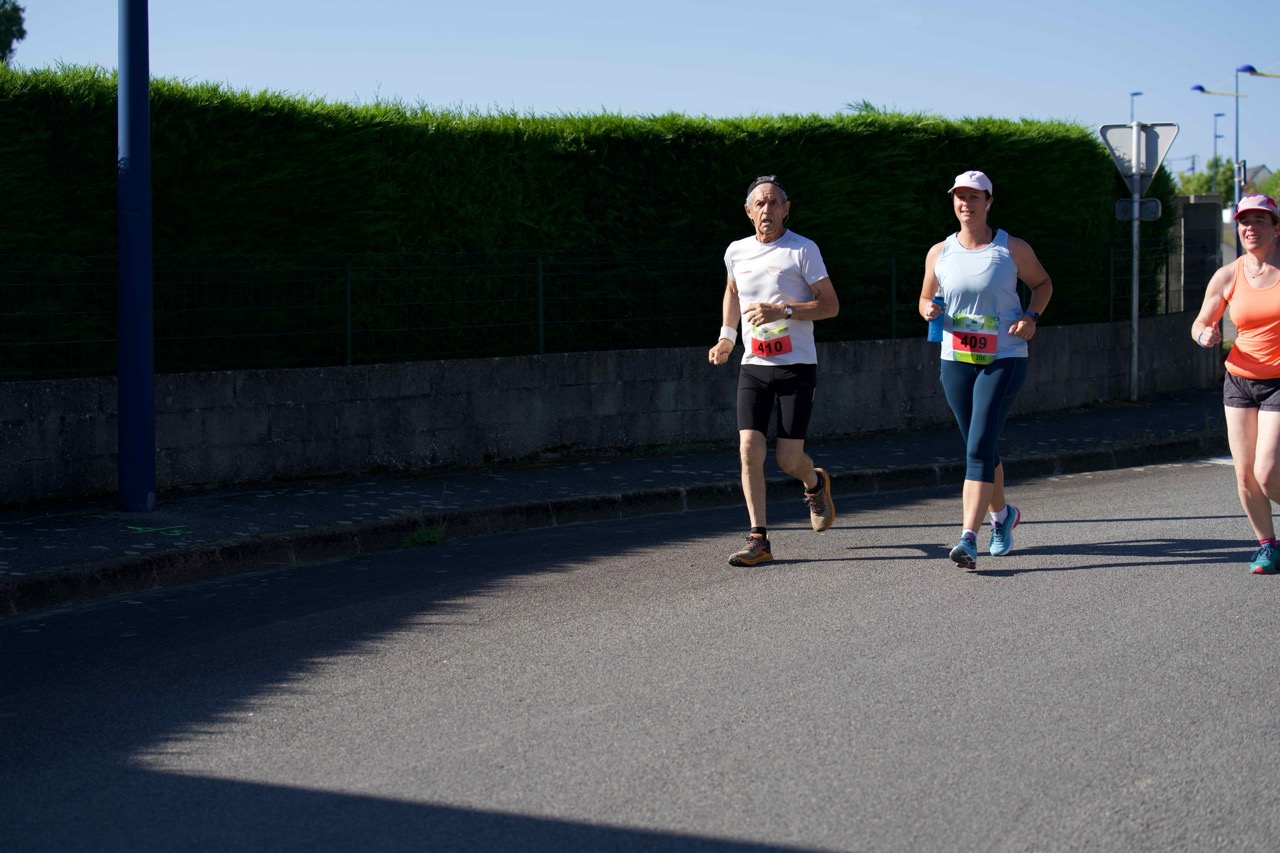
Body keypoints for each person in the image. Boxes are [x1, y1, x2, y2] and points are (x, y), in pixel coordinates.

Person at [918, 170, 1053, 571]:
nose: (966, 204)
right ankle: (1003, 515)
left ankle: (968, 538)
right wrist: (928, 309)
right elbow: (925, 297)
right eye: (960, 197)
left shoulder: (1010, 248)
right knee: (981, 445)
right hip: (955, 359)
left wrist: (1030, 316)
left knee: (977, 446)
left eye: (974, 197)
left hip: (1004, 357)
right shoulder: (939, 252)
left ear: (989, 202)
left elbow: (1043, 284)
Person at [708, 175, 840, 567]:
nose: (767, 210)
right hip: (754, 365)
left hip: (796, 366)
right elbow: (733, 291)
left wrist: (782, 310)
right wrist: (727, 337)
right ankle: (758, 539)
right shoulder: (736, 251)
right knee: (749, 449)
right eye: (760, 204)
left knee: (787, 459)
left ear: (786, 209)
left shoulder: (803, 249)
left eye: (774, 203)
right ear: (748, 212)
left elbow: (830, 305)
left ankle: (814, 482)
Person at [1191, 193, 1280, 575]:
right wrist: (1204, 335)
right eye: (1245, 221)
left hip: (1279, 382)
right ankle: (1267, 546)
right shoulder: (1228, 274)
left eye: (1260, 221)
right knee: (1244, 474)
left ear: (1276, 228)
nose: (1251, 228)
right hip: (1240, 380)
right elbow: (1200, 322)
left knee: (1267, 472)